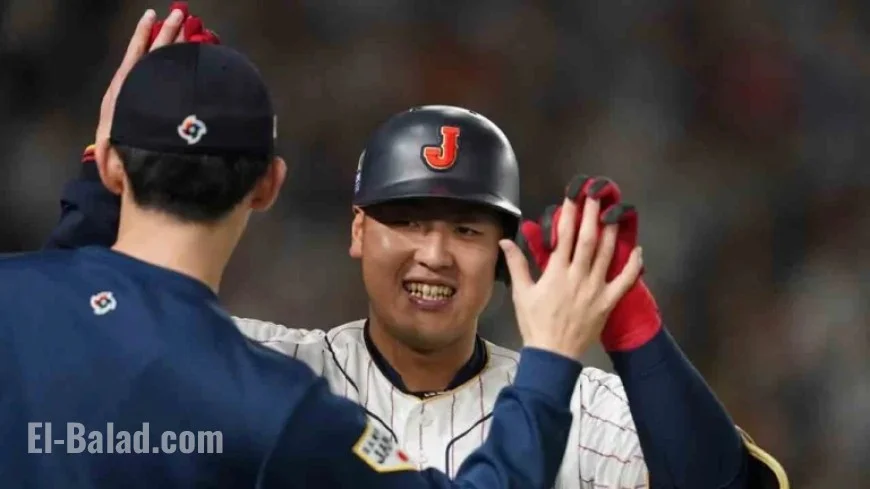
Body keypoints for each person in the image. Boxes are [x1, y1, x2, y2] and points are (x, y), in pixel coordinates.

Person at [44, 10, 789, 489]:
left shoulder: (585, 405)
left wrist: (633, 330)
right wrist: (133, 164)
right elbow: (83, 349)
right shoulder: (269, 373)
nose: (435, 252)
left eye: (467, 228)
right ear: (358, 230)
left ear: (506, 253)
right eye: (407, 219)